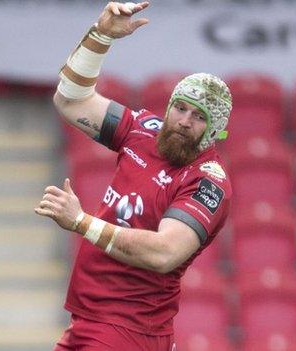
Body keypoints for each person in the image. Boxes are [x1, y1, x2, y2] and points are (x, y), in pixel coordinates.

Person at [34, 2, 233, 350]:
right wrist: (100, 37)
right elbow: (70, 101)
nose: (184, 121)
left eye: (199, 117)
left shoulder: (207, 182)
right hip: (92, 319)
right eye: (180, 108)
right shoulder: (143, 130)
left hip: (129, 329)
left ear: (214, 131)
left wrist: (81, 222)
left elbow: (164, 253)